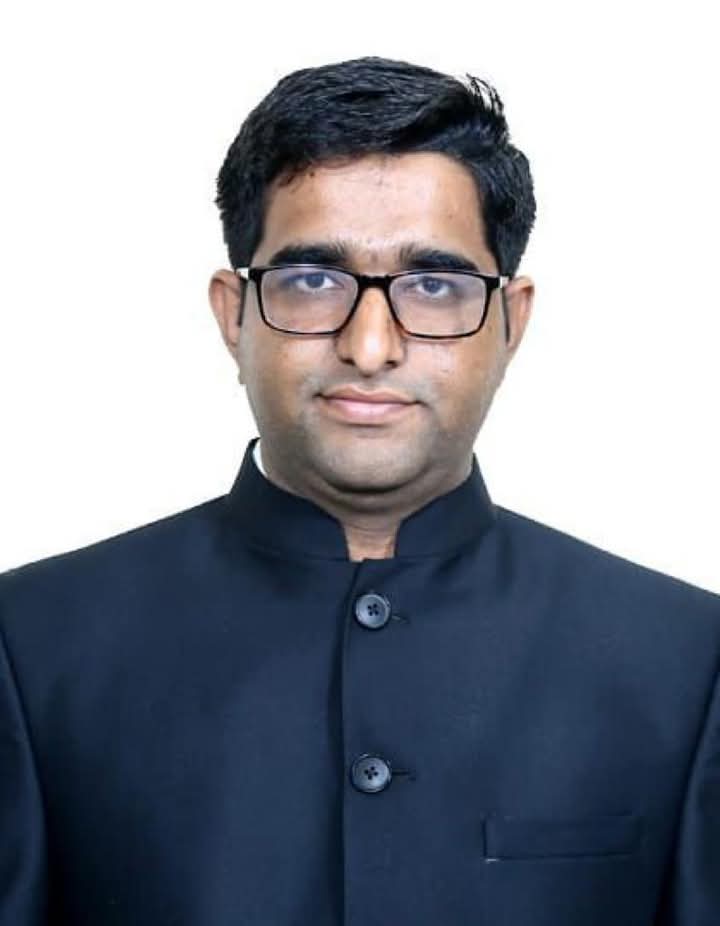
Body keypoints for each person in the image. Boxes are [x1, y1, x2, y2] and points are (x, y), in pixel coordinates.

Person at [0, 55, 718, 926]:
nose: (370, 346)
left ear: (510, 321)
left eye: (434, 284)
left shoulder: (688, 662)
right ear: (233, 313)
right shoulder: (32, 647)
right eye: (312, 281)